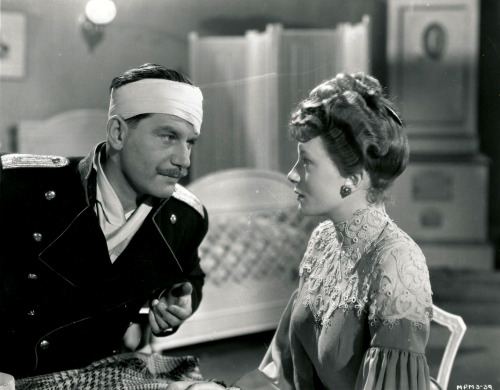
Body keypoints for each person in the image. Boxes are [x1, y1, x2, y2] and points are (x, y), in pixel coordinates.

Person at [166, 72, 433, 390]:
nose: (291, 175)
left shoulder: (398, 263)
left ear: (353, 179)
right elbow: (286, 365)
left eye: (306, 163)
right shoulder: (324, 238)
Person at [0, 63, 209, 378]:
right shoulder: (18, 186)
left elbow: (190, 276)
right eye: (168, 137)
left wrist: (182, 300)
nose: (184, 160)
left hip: (101, 375)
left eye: (190, 142)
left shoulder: (185, 219)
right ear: (117, 134)